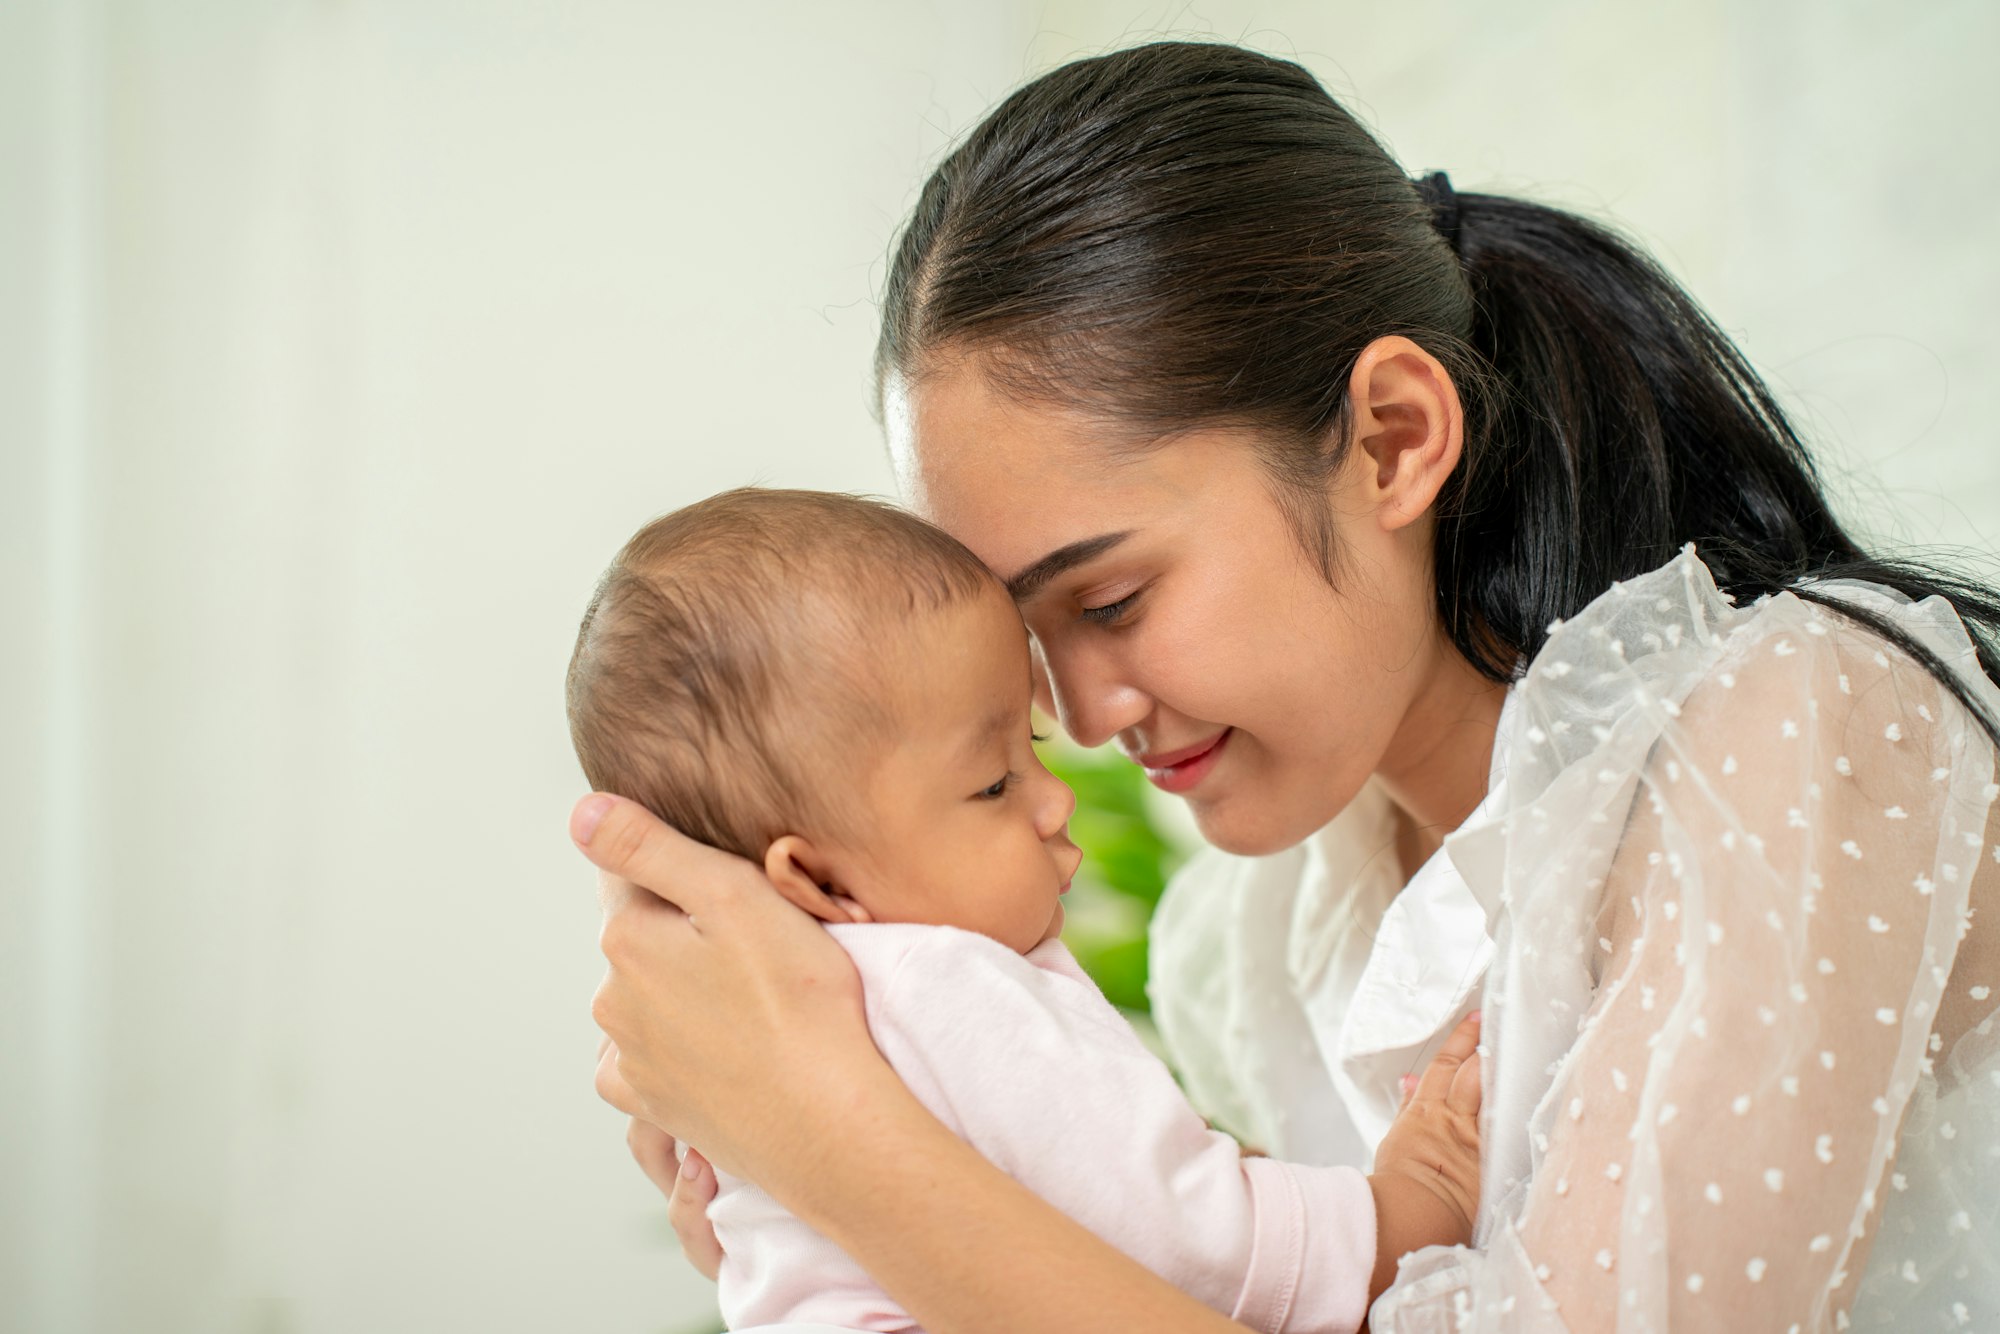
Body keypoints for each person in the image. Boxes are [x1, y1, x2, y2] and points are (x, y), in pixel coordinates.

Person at [581, 41, 2000, 1332]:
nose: (1081, 721)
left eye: (1116, 599)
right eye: (1030, 651)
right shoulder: (1262, 930)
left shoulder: (1803, 733)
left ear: (1391, 438)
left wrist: (831, 1143)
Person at [568, 487, 1485, 1333]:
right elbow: (1182, 1235)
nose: (1056, 799)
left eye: (1031, 747)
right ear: (818, 883)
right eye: (997, 781)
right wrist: (1406, 1201)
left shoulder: (750, 1033)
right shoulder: (946, 985)